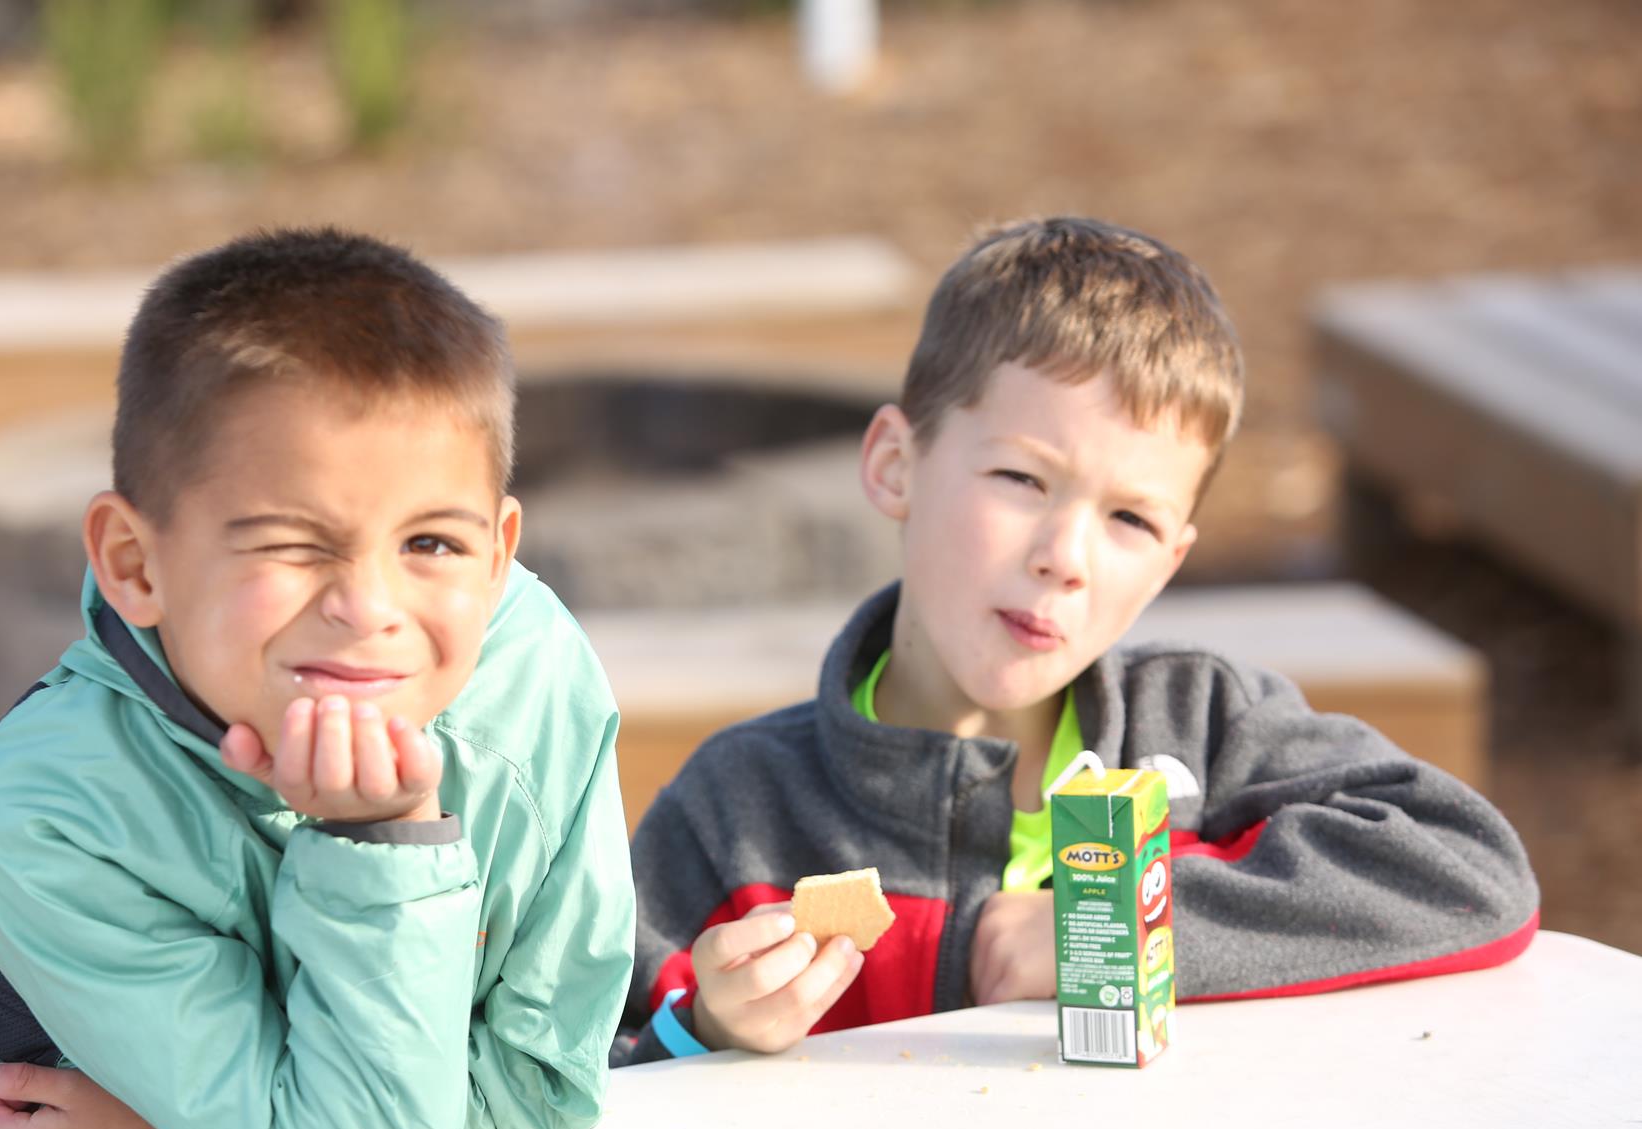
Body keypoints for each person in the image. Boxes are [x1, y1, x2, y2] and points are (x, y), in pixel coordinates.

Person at [613, 216, 1538, 1065]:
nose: (1065, 557)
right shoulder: (735, 813)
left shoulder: (1206, 732)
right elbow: (580, 1079)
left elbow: (1474, 873)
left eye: (1130, 520)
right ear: (898, 466)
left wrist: (1111, 929)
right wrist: (705, 1031)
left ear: (1170, 563)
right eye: (1021, 478)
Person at [0, 227, 635, 1129]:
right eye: (292, 543)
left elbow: (546, 1087)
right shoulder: (47, 820)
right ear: (136, 562)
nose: (370, 608)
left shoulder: (534, 676)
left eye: (432, 544)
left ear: (498, 557)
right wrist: (383, 843)